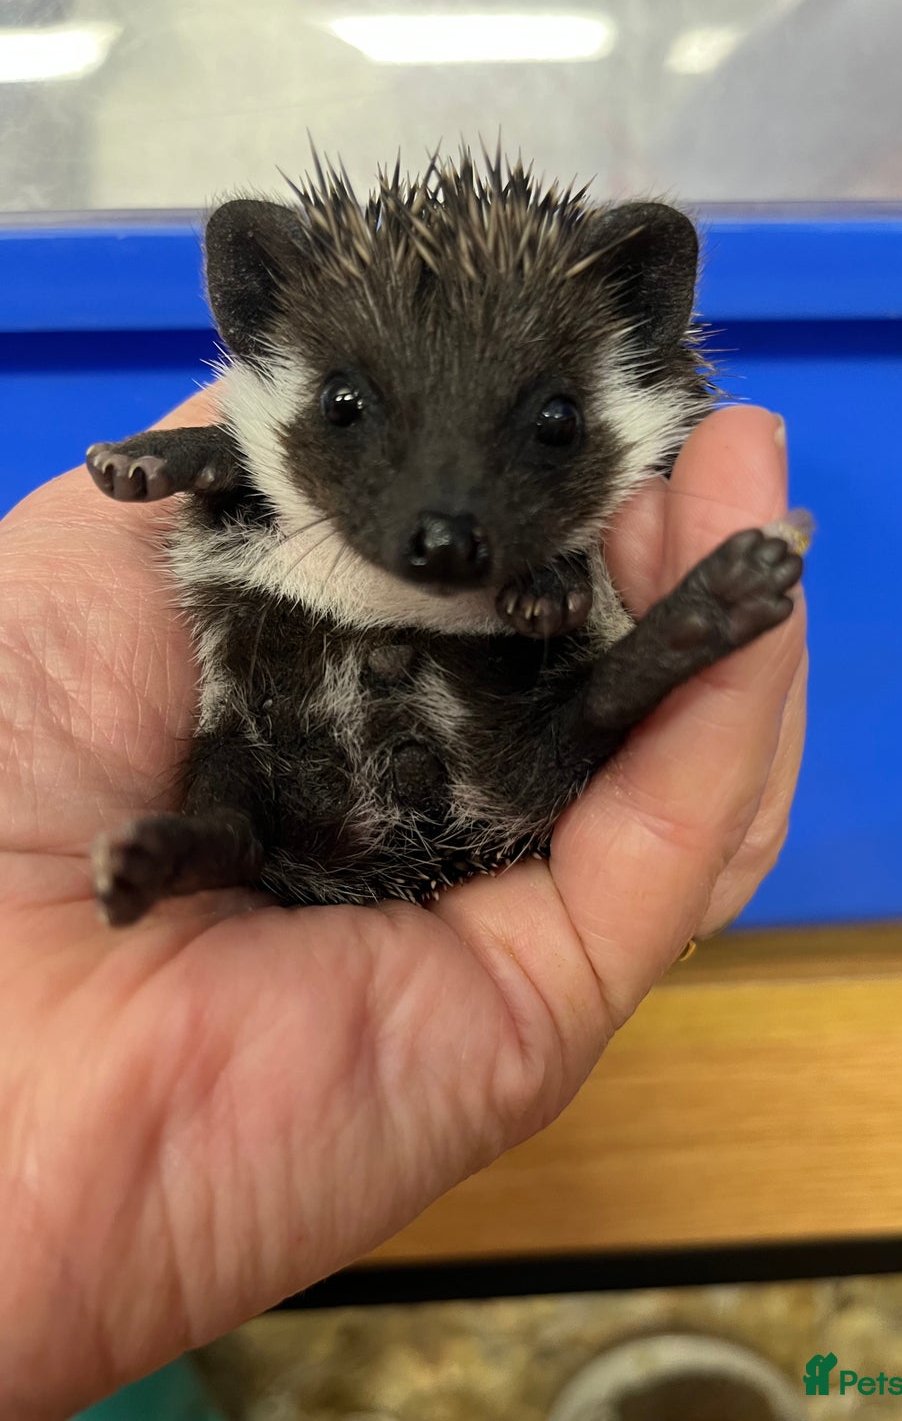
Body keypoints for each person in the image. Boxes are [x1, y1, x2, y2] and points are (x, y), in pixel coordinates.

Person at [0, 395, 807, 1421]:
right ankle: (212, 845)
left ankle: (679, 637)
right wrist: (202, 457)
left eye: (547, 425)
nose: (443, 516)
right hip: (305, 765)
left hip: (481, 746)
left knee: (573, 719)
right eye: (350, 408)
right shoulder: (279, 444)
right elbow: (253, 451)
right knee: (238, 764)